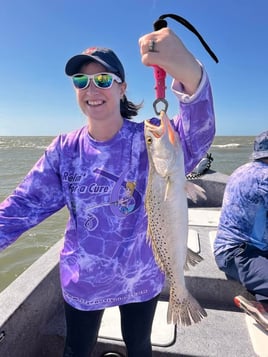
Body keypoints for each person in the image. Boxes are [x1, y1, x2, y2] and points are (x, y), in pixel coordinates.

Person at [0, 27, 215, 357]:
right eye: (81, 81)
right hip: (84, 280)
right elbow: (24, 205)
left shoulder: (150, 139)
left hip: (141, 276)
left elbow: (197, 135)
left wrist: (187, 69)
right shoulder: (64, 150)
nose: (91, 88)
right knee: (76, 350)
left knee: (139, 345)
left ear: (122, 87)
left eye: (102, 79)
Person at [214, 131, 268, 329]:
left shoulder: (241, 169)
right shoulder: (265, 177)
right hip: (241, 254)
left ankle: (261, 305)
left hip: (231, 249)